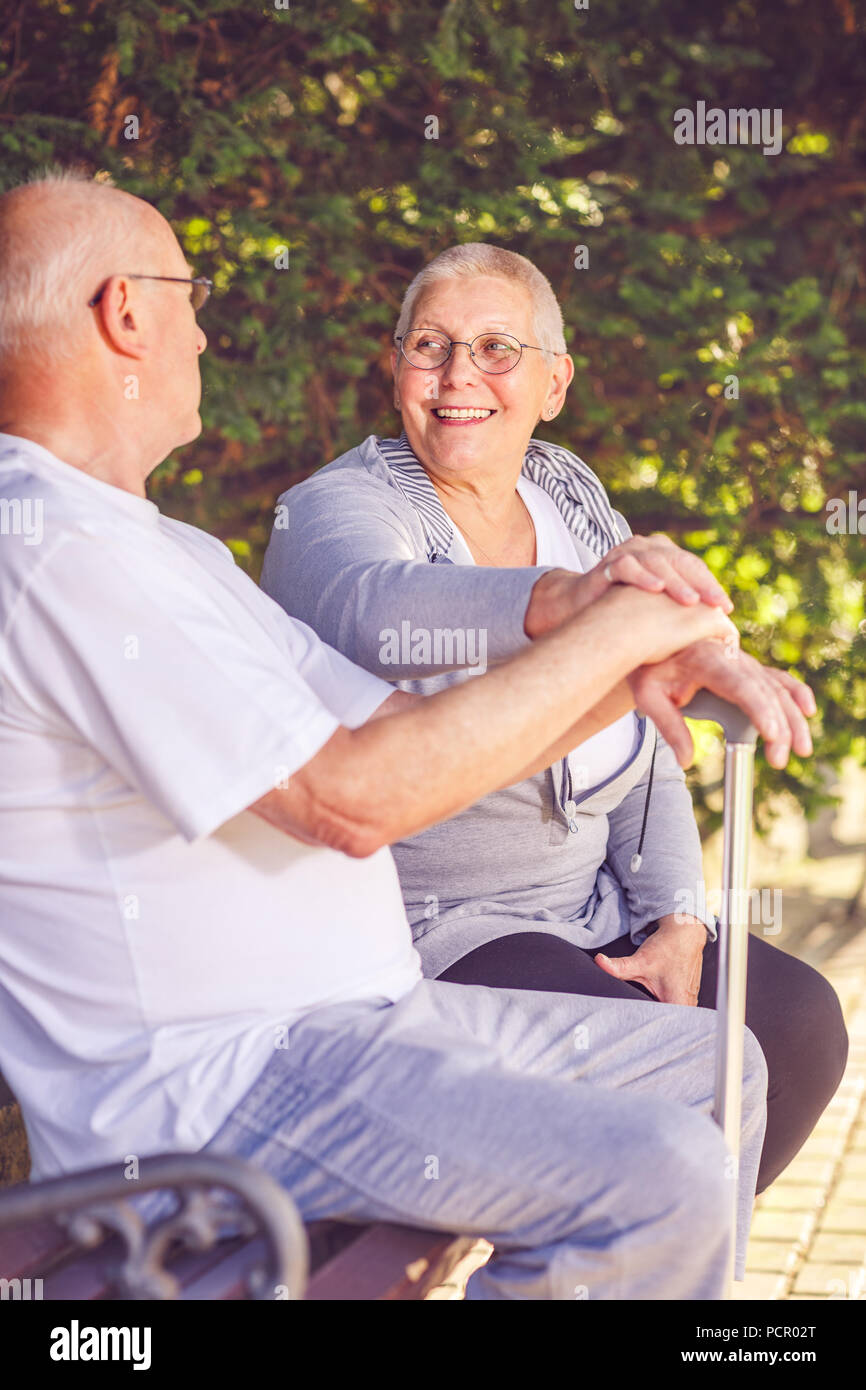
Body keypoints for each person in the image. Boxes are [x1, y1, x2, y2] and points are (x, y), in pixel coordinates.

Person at [0, 173, 767, 1300]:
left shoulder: (167, 552)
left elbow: (398, 726)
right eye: (191, 294)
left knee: (714, 1071)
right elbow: (352, 800)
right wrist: (597, 629)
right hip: (224, 1084)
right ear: (125, 312)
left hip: (358, 1024)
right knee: (654, 1175)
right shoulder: (56, 549)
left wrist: (631, 668)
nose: (205, 327)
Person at [261, 242, 847, 1193]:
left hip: (591, 912)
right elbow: (376, 612)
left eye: (498, 348)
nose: (460, 377)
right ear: (396, 364)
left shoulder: (568, 491)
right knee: (675, 1072)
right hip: (436, 931)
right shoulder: (335, 508)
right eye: (431, 345)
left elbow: (651, 742)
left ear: (554, 383)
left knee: (797, 1021)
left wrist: (676, 920)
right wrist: (569, 605)